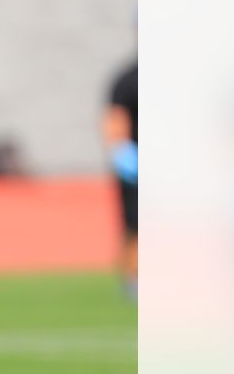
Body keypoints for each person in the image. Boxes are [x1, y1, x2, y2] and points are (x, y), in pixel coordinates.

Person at [102, 56, 138, 300]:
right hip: (135, 164)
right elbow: (115, 119)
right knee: (134, 222)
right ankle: (133, 277)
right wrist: (124, 154)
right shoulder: (128, 79)